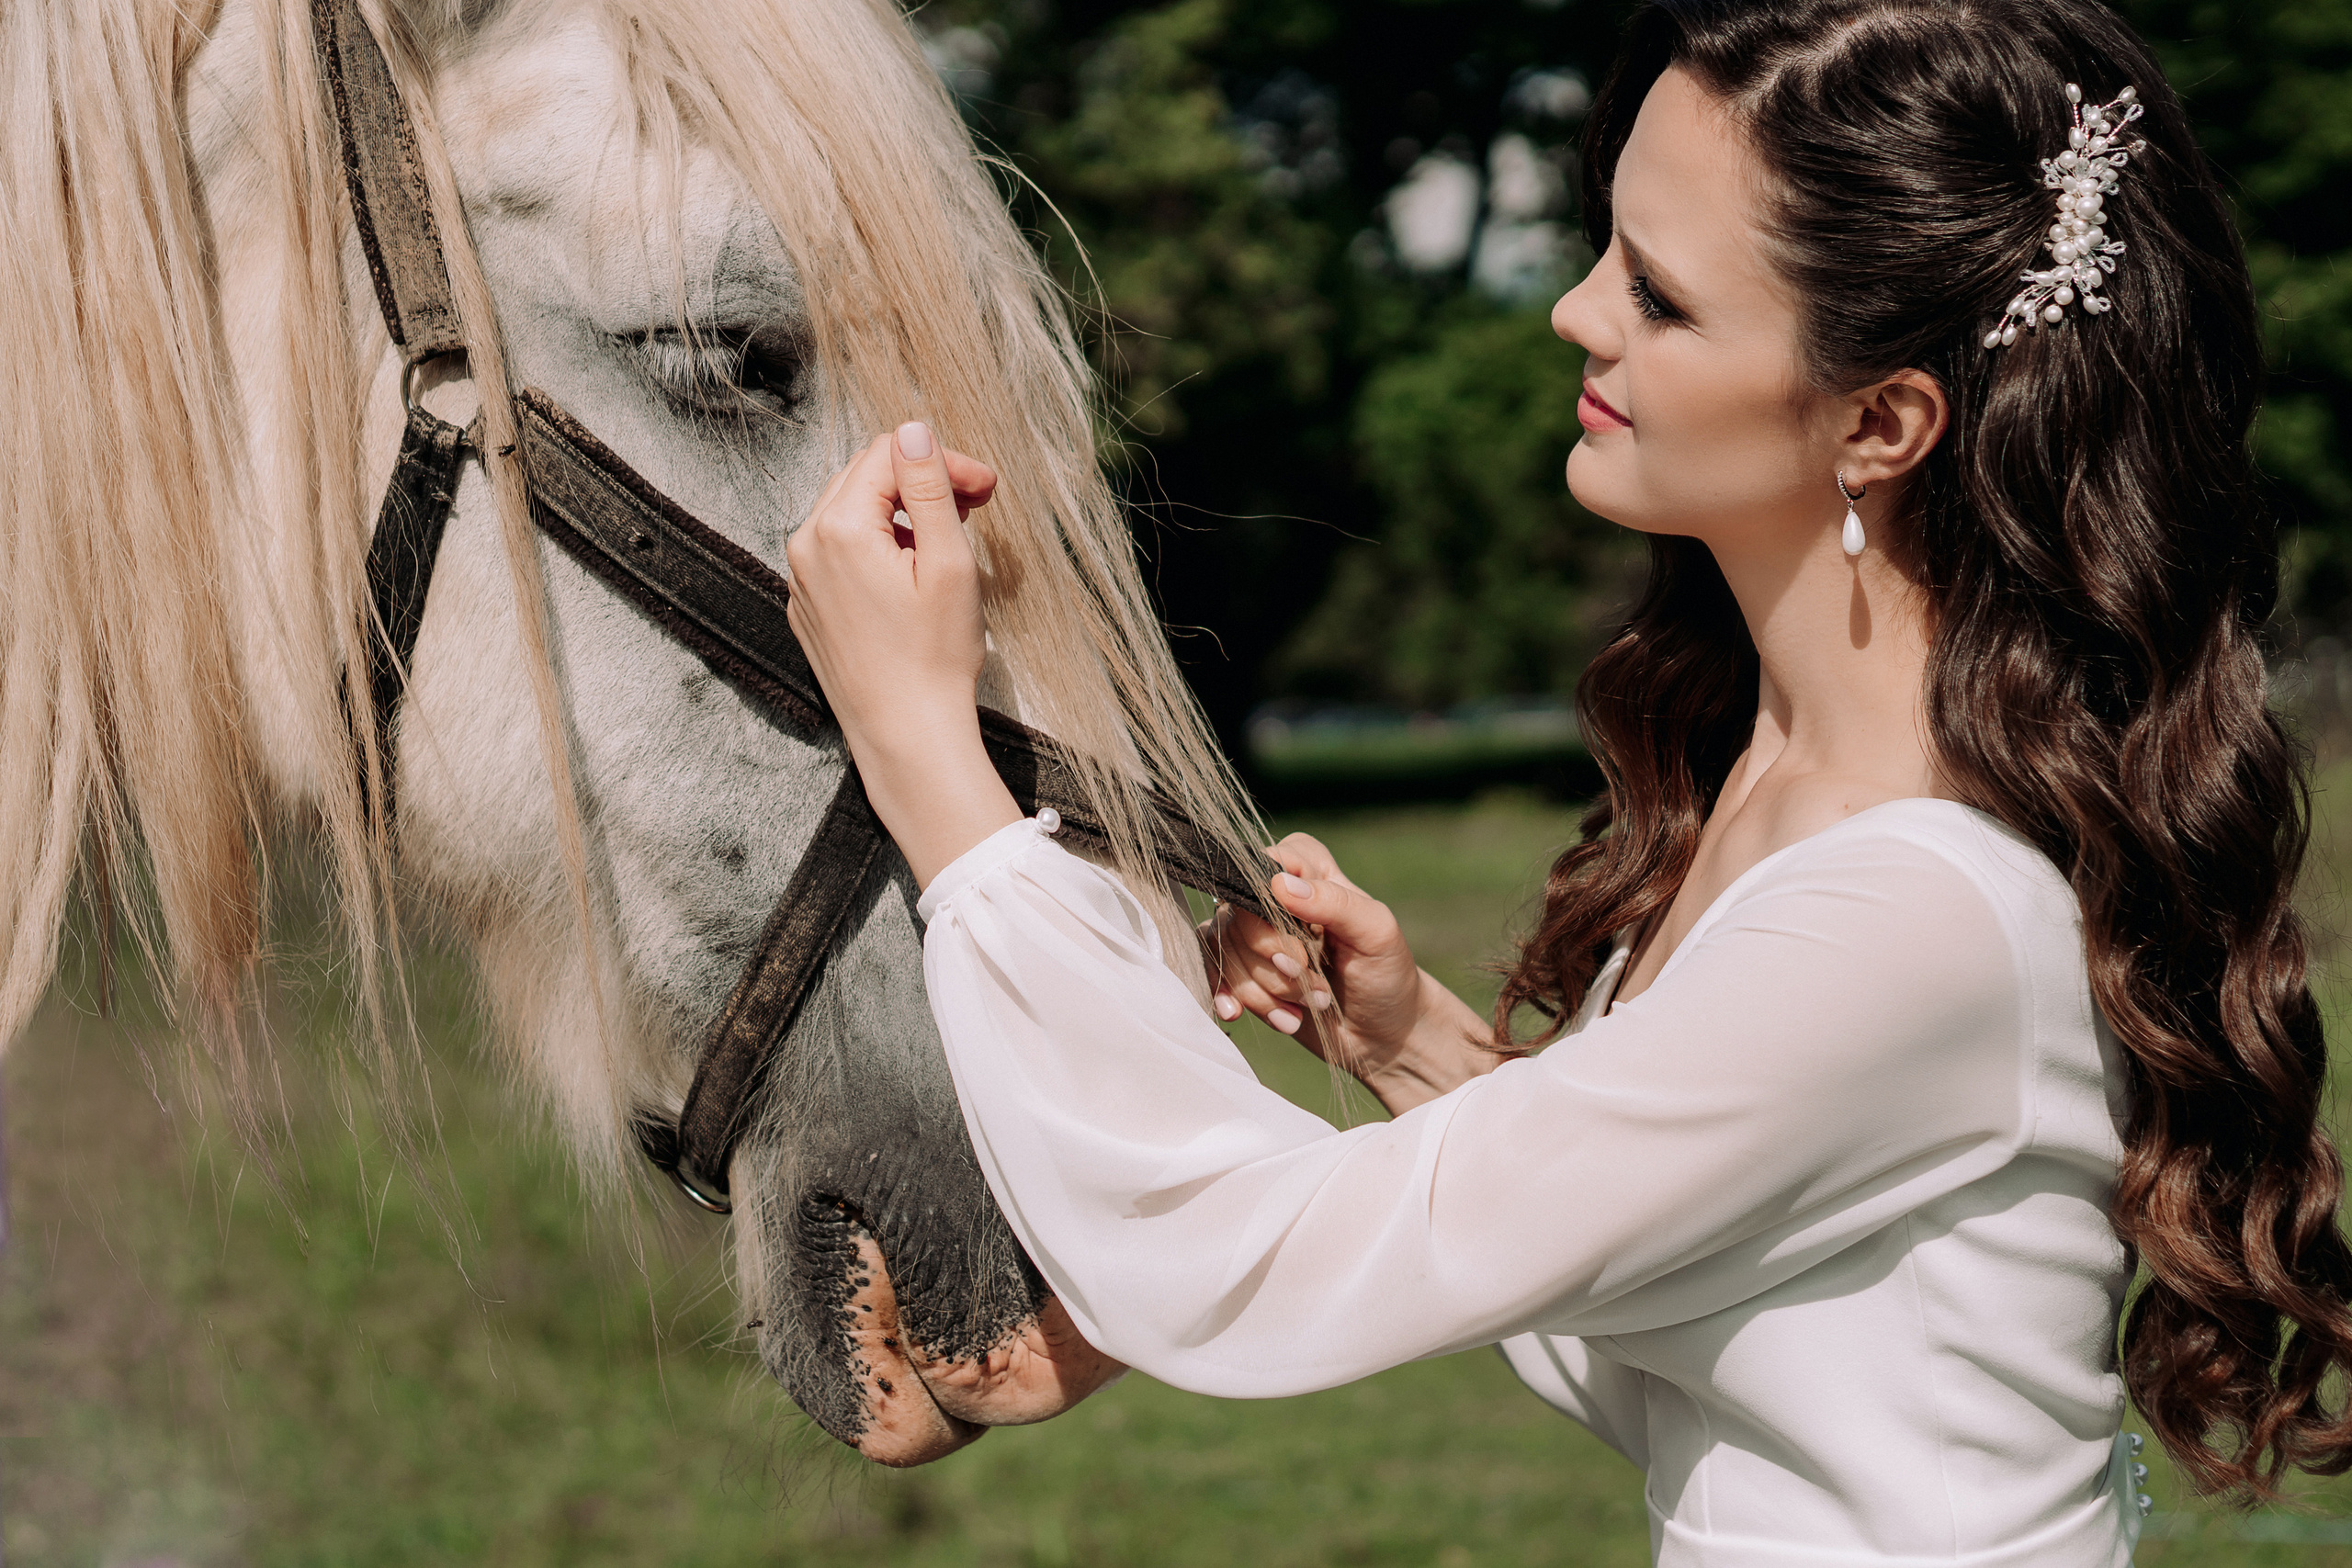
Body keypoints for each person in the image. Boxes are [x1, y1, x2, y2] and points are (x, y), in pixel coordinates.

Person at [784, 0, 2352, 1558]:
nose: (1576, 315)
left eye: (1660, 299)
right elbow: (1653, 1314)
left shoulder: (1914, 911)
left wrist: (928, 749)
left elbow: (1242, 1264)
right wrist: (1415, 1053)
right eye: (1608, 250)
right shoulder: (1794, 793)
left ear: (1881, 421)